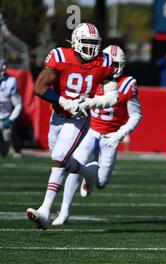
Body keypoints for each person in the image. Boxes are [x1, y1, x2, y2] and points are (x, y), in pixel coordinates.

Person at [26, 23, 118, 230]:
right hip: (58, 115)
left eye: (94, 44)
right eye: (86, 43)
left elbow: (113, 96)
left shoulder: (104, 62)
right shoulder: (61, 57)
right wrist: (63, 101)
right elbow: (39, 88)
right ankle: (88, 172)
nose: (90, 48)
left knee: (59, 159)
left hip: (79, 118)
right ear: (76, 42)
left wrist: (90, 103)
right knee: (60, 161)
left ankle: (45, 211)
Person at [52, 45, 142, 226]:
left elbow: (136, 114)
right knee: (75, 167)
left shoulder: (127, 84)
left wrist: (121, 133)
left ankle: (90, 177)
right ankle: (64, 212)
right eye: (111, 63)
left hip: (111, 136)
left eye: (117, 64)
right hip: (89, 131)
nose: (113, 67)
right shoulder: (91, 77)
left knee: (101, 182)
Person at [0, 59, 22, 157]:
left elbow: (18, 105)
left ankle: (15, 149)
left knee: (4, 151)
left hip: (5, 119)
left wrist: (10, 119)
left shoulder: (10, 82)